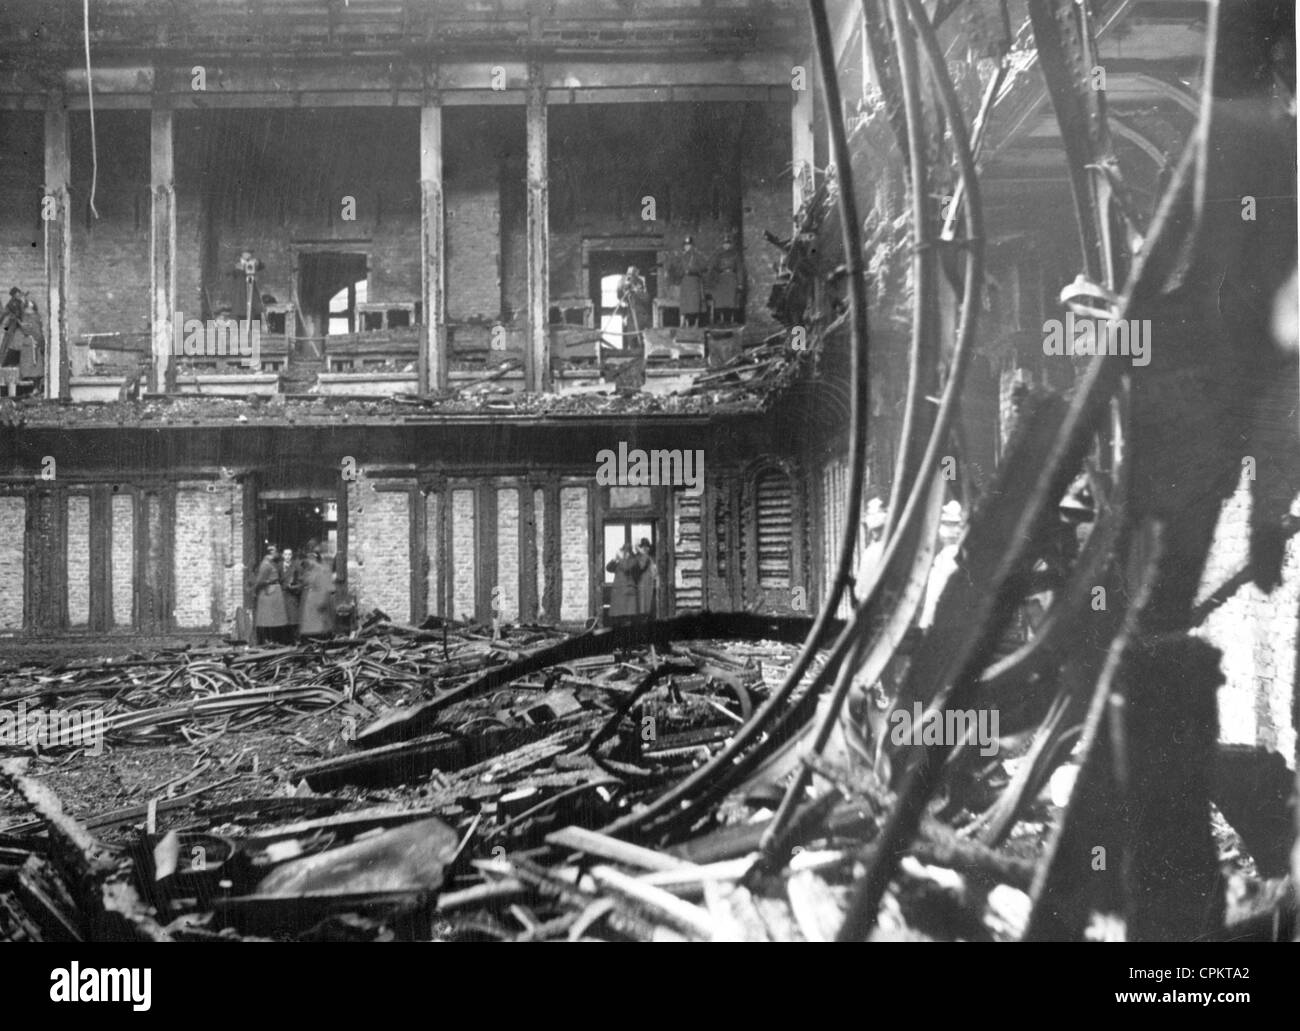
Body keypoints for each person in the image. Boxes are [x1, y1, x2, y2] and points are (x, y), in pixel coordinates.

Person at [253, 545, 290, 644]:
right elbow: (260, 581)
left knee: (275, 618)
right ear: (270, 553)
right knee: (269, 618)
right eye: (275, 551)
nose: (277, 553)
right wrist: (256, 590)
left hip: (274, 591)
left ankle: (275, 639)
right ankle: (269, 639)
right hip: (269, 592)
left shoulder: (271, 563)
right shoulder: (266, 564)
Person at [668, 237, 708, 326]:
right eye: (685, 245)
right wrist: (680, 273)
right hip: (685, 282)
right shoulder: (682, 257)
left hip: (694, 282)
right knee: (685, 304)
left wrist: (692, 270)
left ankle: (696, 323)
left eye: (689, 245)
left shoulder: (697, 256)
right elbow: (678, 270)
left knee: (695, 304)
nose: (687, 247)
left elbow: (704, 267)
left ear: (692, 246)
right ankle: (685, 323)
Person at [297, 551, 336, 642]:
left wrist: (322, 601)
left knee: (318, 623)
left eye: (311, 559)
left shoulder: (322, 570)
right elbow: (306, 581)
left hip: (318, 599)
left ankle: (318, 637)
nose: (309, 561)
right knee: (309, 622)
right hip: (310, 600)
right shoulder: (310, 570)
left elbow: (324, 587)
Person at [709, 230, 746, 324]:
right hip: (722, 279)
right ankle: (722, 319)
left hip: (732, 278)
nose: (726, 245)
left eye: (728, 244)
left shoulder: (735, 255)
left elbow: (739, 269)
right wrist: (715, 278)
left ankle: (732, 319)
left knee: (732, 299)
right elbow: (713, 267)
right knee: (721, 299)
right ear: (722, 244)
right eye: (725, 244)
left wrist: (740, 283)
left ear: (730, 244)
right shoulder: (719, 255)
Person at [605, 542, 640, 627]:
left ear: (629, 553)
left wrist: (620, 558)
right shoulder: (620, 562)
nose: (624, 554)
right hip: (618, 594)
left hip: (628, 595)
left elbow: (626, 568)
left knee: (628, 619)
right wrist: (614, 559)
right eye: (623, 552)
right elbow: (608, 568)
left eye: (626, 552)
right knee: (618, 619)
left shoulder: (634, 561)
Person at [617, 266, 650, 352]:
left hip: (641, 317)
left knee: (641, 340)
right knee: (631, 339)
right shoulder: (627, 287)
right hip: (631, 317)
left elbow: (646, 298)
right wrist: (623, 288)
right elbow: (621, 297)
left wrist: (637, 290)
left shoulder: (640, 286)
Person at [634, 538, 658, 623]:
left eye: (647, 546)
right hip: (641, 586)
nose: (645, 549)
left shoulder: (652, 558)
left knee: (650, 607)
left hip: (650, 585)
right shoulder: (638, 558)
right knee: (641, 608)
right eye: (643, 547)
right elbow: (640, 567)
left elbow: (655, 572)